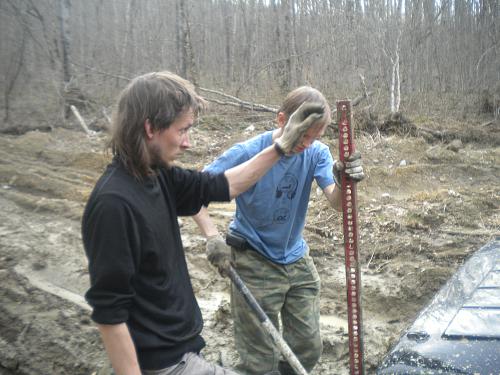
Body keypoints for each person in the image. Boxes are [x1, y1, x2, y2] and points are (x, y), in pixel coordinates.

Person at [81, 71, 326, 375]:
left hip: (182, 349)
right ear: (149, 128)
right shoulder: (114, 204)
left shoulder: (158, 176)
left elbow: (222, 185)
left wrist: (279, 148)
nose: (188, 143)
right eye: (183, 130)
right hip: (162, 364)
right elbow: (110, 313)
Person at [193, 86, 365, 375]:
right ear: (282, 120)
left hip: (295, 258)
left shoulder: (316, 153)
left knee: (308, 347)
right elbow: (191, 194)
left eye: (315, 138)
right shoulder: (248, 152)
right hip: (252, 259)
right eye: (302, 135)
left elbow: (337, 203)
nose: (306, 144)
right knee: (259, 359)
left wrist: (346, 182)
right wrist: (212, 237)